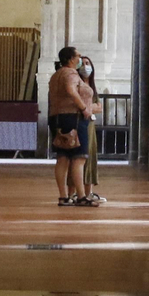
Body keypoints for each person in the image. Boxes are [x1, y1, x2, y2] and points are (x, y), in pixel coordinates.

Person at [48, 46, 100, 206]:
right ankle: (82, 196)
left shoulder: (56, 75)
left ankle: (63, 196)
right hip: (73, 118)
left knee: (62, 157)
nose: (79, 59)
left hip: (57, 117)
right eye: (77, 56)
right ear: (71, 59)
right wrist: (84, 108)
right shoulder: (70, 73)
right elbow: (71, 90)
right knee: (79, 158)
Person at [78, 55, 106, 205]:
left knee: (90, 156)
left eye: (88, 63)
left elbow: (99, 107)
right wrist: (90, 108)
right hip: (80, 124)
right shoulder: (76, 84)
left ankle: (88, 192)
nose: (85, 66)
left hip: (90, 125)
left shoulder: (93, 86)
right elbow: (80, 106)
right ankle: (78, 191)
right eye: (82, 63)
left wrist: (88, 108)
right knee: (80, 157)